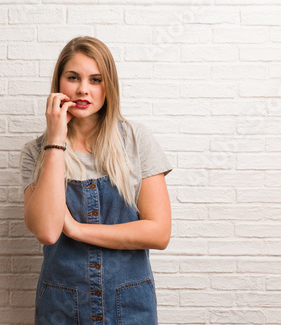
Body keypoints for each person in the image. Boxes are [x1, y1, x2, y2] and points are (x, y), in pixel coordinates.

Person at [19, 36, 172, 325]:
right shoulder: (35, 152)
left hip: (130, 307)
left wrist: (76, 229)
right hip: (61, 308)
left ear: (108, 86)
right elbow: (47, 232)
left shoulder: (136, 141)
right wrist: (55, 141)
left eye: (96, 79)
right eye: (73, 77)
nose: (82, 89)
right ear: (58, 84)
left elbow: (159, 233)